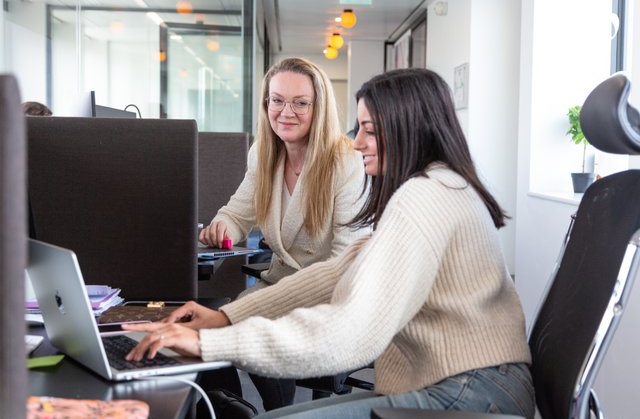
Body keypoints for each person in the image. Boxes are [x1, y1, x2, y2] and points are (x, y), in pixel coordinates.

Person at [125, 68, 535, 419]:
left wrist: (211, 343)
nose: (357, 143)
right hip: (459, 383)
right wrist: (228, 317)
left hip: (471, 394)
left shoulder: (426, 195)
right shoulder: (434, 186)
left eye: (371, 131)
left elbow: (354, 329)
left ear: (413, 129)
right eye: (359, 129)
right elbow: (338, 271)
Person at [198, 57, 370, 410]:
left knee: (260, 332)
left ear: (318, 107)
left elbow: (344, 263)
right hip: (277, 282)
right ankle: (230, 407)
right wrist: (221, 228)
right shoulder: (264, 152)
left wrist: (276, 303)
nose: (285, 111)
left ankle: (281, 413)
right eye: (276, 100)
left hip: (328, 294)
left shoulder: (344, 161)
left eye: (300, 102)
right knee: (206, 335)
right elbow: (237, 213)